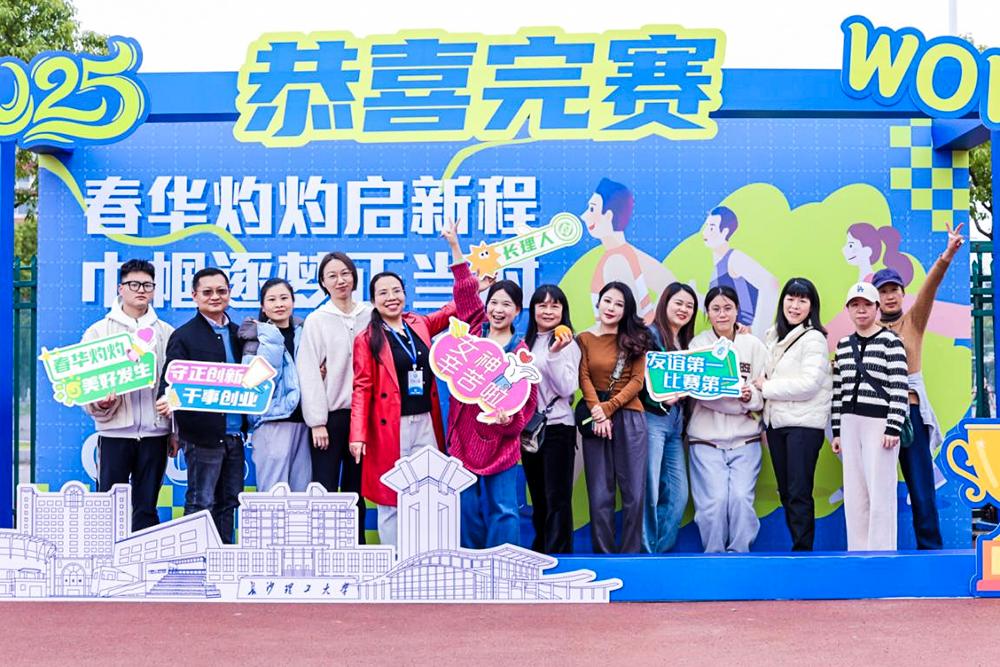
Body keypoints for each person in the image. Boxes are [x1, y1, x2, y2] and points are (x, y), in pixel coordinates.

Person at [443, 222, 537, 549]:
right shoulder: (474, 331)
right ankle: (470, 564)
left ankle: (503, 564)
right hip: (463, 436)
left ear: (517, 311)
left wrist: (509, 420)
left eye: (506, 305)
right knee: (465, 506)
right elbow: (464, 291)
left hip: (501, 442)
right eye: (494, 303)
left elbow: (527, 405)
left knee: (504, 509)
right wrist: (455, 247)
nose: (498, 310)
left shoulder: (521, 355)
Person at [872, 222, 964, 549]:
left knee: (922, 490)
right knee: (877, 492)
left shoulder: (913, 321)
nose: (889, 296)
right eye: (883, 291)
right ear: (875, 297)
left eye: (894, 290)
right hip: (876, 418)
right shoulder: (867, 329)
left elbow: (929, 288)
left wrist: (947, 254)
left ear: (902, 294)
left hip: (909, 416)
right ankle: (879, 552)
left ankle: (931, 551)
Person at [349, 271, 455, 548]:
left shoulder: (418, 323)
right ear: (373, 300)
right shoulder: (366, 338)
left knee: (429, 490)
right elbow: (361, 388)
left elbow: (451, 311)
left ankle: (426, 555)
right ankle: (394, 559)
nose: (391, 297)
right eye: (383, 293)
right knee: (390, 497)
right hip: (389, 428)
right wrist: (358, 435)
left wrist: (474, 286)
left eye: (396, 290)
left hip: (425, 422)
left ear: (405, 294)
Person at [82, 259, 175, 532]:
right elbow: (86, 381)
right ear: (120, 288)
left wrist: (174, 430)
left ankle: (143, 555)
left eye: (147, 285)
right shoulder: (99, 332)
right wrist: (99, 401)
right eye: (134, 284)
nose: (141, 290)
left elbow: (174, 384)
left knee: (147, 506)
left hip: (155, 433)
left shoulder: (166, 332)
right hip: (115, 433)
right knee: (109, 504)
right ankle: (105, 554)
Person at [155, 267, 245, 544]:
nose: (215, 297)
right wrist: (167, 401)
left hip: (234, 435)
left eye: (221, 291)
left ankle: (223, 559)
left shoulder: (240, 334)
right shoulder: (184, 336)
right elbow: (170, 382)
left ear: (229, 293)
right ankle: (194, 558)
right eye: (207, 292)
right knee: (200, 502)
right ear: (195, 296)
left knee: (229, 502)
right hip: (201, 436)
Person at [296, 252, 372, 542]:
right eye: (332, 276)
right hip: (330, 418)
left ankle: (358, 550)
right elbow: (308, 371)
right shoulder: (317, 320)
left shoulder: (370, 314)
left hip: (363, 418)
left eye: (345, 273)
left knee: (357, 490)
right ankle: (325, 550)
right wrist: (317, 421)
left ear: (354, 276)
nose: (340, 280)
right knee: (325, 489)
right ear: (323, 283)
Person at [687, 286, 769, 553]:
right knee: (713, 502)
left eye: (727, 308)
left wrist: (750, 398)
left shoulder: (753, 345)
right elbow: (702, 394)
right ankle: (714, 557)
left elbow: (763, 389)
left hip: (746, 440)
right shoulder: (698, 346)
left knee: (741, 499)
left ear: (737, 311)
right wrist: (739, 403)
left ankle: (739, 555)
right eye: (715, 309)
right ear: (707, 313)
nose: (722, 314)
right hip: (706, 440)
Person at [753, 277, 832, 551]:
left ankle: (803, 551)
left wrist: (766, 388)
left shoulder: (814, 338)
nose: (795, 306)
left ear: (811, 307)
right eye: (790, 298)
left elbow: (809, 384)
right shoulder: (772, 336)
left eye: (802, 300)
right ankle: (799, 547)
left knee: (799, 492)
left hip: (803, 426)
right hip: (777, 425)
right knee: (787, 492)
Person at [831, 282, 909, 552]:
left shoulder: (891, 342)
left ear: (877, 308)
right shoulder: (843, 345)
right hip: (849, 423)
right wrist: (837, 431)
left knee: (881, 491)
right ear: (848, 310)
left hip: (880, 424)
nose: (861, 310)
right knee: (855, 492)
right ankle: (858, 550)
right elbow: (838, 390)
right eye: (855, 305)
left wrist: (893, 426)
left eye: (867, 305)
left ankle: (882, 551)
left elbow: (899, 386)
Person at [578, 282, 651, 554]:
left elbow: (637, 381)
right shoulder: (584, 338)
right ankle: (604, 556)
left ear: (626, 310)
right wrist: (598, 412)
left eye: (619, 304)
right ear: (598, 303)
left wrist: (608, 408)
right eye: (607, 301)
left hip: (630, 417)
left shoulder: (636, 339)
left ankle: (631, 555)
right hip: (596, 418)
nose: (611, 308)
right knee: (600, 494)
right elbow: (584, 376)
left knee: (634, 493)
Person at [522, 285, 581, 554]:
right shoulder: (525, 343)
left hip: (558, 427)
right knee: (538, 497)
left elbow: (567, 388)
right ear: (532, 310)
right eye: (542, 305)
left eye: (554, 306)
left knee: (557, 498)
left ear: (563, 311)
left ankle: (559, 555)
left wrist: (555, 354)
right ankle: (541, 551)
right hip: (529, 429)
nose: (548, 311)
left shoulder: (568, 343)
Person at [238, 278, 310, 493]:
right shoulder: (255, 339)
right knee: (273, 494)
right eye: (272, 300)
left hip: (304, 422)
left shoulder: (305, 333)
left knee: (302, 494)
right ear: (263, 307)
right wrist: (271, 339)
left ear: (293, 302)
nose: (279, 304)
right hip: (271, 421)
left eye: (284, 298)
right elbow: (254, 383)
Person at [643, 282, 697, 554]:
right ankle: (645, 553)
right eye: (679, 303)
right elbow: (635, 380)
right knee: (650, 491)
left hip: (677, 423)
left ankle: (660, 552)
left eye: (690, 306)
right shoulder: (648, 336)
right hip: (652, 419)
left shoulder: (689, 344)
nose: (684, 309)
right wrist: (659, 398)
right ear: (665, 303)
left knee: (678, 494)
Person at [582, 178, 675, 324]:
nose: (584, 216)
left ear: (609, 215)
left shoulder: (617, 259)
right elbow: (669, 282)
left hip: (626, 337)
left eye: (592, 209)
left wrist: (650, 325)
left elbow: (627, 319)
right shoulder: (626, 253)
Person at [702, 206, 779, 337]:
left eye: (711, 228)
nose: (705, 233)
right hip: (727, 340)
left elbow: (771, 284)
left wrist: (757, 330)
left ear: (724, 232)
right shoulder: (717, 265)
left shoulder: (734, 258)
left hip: (744, 338)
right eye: (706, 227)